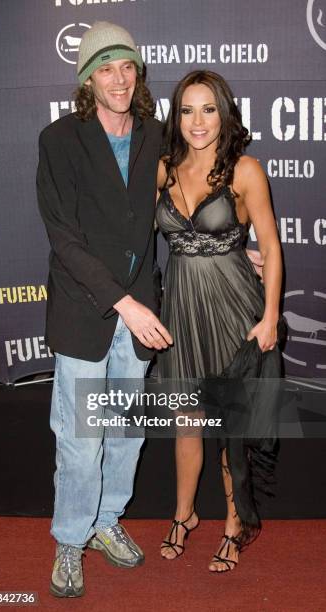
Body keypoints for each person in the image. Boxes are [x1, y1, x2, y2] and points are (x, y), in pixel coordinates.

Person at [37, 21, 172, 598]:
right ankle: (71, 538)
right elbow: (63, 238)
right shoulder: (60, 139)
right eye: (105, 67)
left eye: (127, 66)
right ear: (87, 78)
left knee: (124, 433)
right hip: (86, 310)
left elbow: (183, 201)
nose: (118, 78)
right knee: (80, 438)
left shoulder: (156, 134)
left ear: (137, 73)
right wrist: (124, 303)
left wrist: (242, 250)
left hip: (138, 311)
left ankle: (106, 521)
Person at [156, 70, 283, 572]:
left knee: (230, 425)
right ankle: (184, 514)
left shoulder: (244, 169)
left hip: (233, 308)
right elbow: (133, 234)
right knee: (187, 421)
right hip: (182, 310)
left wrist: (271, 315)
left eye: (208, 109)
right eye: (187, 110)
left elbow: (271, 247)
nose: (198, 121)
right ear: (177, 117)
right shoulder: (163, 169)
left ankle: (234, 522)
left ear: (225, 112)